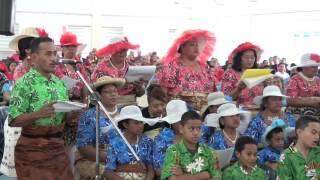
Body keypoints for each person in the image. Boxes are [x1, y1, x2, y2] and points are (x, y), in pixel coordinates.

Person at [8, 37, 73, 179]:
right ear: (34, 56)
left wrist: (73, 115)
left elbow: (64, 117)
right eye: (48, 54)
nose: (54, 58)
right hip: (32, 151)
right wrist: (38, 114)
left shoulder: (59, 83)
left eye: (55, 54)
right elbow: (13, 120)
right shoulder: (24, 83)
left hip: (58, 149)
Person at [75, 76, 125, 179]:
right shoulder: (89, 116)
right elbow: (84, 147)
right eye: (107, 92)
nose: (113, 94)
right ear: (98, 95)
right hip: (96, 159)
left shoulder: (124, 112)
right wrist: (113, 157)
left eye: (115, 91)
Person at [155, 30, 216, 111]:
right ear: (182, 47)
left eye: (198, 45)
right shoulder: (172, 66)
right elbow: (162, 93)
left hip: (205, 113)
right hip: (180, 114)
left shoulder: (205, 67)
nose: (196, 48)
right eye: (192, 45)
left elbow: (212, 91)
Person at [161, 111, 221, 180]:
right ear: (181, 129)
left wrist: (183, 175)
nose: (196, 133)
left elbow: (217, 177)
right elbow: (172, 178)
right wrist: (204, 175)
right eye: (191, 129)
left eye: (199, 128)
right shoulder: (173, 151)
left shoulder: (209, 151)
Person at [105, 105, 155, 180]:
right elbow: (108, 171)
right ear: (125, 125)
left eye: (141, 122)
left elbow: (150, 169)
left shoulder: (147, 142)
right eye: (136, 123)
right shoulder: (115, 143)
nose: (141, 126)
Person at [92, 37, 145, 105]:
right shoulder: (101, 67)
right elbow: (96, 89)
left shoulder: (132, 66)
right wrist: (121, 83)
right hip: (110, 106)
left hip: (132, 105)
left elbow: (140, 94)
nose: (123, 53)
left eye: (125, 50)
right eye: (119, 50)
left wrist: (140, 88)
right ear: (112, 50)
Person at [153, 100, 188, 177]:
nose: (181, 123)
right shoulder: (161, 139)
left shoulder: (194, 135)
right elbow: (158, 169)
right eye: (177, 120)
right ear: (171, 122)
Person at [277, 115, 320, 179]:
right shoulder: (286, 157)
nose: (317, 137)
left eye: (319, 133)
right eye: (313, 132)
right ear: (299, 132)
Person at [221, 42, 263, 106]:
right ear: (239, 58)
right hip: (237, 113)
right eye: (246, 57)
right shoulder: (230, 74)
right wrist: (238, 89)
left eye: (252, 57)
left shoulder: (257, 74)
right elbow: (226, 98)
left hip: (257, 111)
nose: (249, 60)